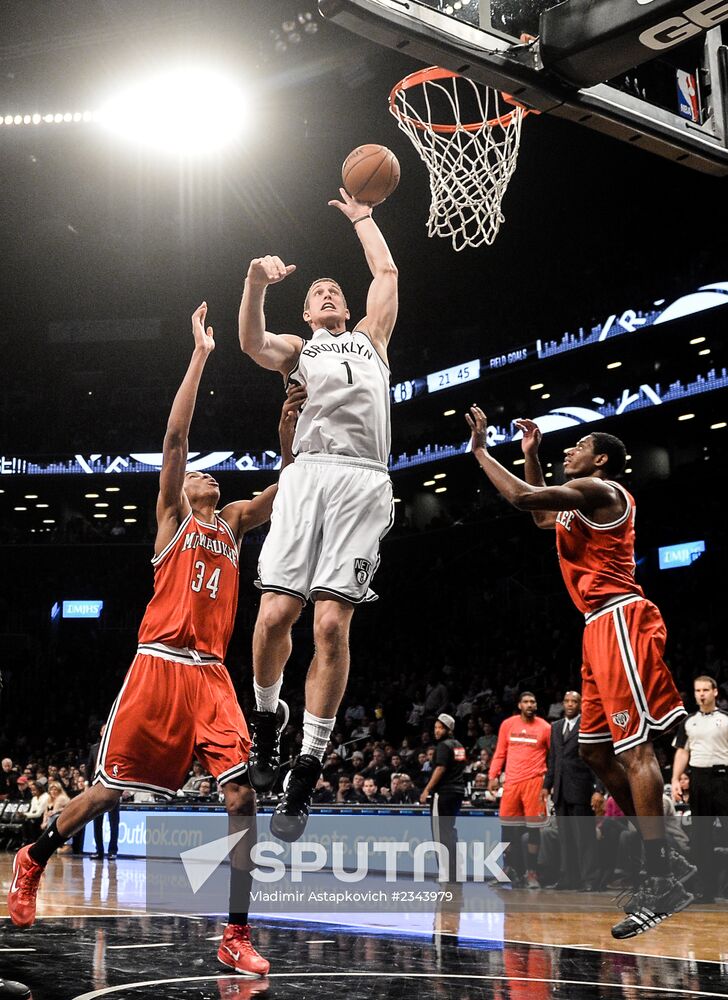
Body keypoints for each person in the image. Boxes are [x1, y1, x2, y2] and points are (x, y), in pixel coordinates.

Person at [8, 303, 302, 977]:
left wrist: (289, 436)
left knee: (242, 797)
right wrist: (200, 355)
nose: (207, 473)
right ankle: (34, 856)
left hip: (211, 676)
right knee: (107, 792)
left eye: (210, 474)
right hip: (157, 668)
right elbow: (174, 440)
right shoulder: (172, 518)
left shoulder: (230, 522)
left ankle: (234, 931)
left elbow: (287, 491)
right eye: (199, 472)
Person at [465, 407, 691, 937]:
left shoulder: (603, 491)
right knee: (593, 751)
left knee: (634, 750)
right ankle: (668, 861)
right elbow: (544, 517)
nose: (571, 450)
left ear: (602, 459)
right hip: (595, 626)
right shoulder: (579, 501)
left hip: (620, 618)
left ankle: (661, 875)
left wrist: (480, 451)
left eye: (580, 445)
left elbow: (522, 499)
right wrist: (531, 457)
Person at [238, 188, 398, 841]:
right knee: (277, 614)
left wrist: (363, 219)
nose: (330, 294)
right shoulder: (297, 350)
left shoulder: (371, 338)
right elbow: (249, 341)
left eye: (337, 290)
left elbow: (386, 274)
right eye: (320, 292)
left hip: (364, 480)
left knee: (331, 626)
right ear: (306, 311)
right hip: (305, 475)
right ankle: (268, 718)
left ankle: (306, 766)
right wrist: (254, 281)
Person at [671, 675, 728, 902]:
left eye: (706, 690)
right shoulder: (689, 721)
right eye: (697, 690)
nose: (701, 694)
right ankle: (706, 890)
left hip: (723, 778)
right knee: (701, 837)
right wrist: (675, 779)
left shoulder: (725, 719)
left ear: (715, 692)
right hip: (699, 779)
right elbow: (682, 751)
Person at [488, 692, 551, 888]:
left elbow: (553, 757)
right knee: (507, 829)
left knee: (534, 830)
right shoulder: (508, 724)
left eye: (533, 701)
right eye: (526, 702)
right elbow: (500, 752)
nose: (530, 705)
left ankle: (531, 872)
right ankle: (508, 870)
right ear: (519, 705)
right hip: (511, 783)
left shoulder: (545, 728)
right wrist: (493, 776)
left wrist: (548, 783)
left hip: (534, 782)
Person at [542, 691, 599, 890]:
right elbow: (554, 759)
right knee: (565, 838)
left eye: (574, 701)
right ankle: (568, 878)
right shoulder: (556, 727)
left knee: (584, 837)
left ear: (581, 704)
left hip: (581, 789)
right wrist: (546, 785)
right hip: (560, 790)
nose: (570, 704)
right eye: (566, 701)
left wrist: (598, 789)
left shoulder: (588, 726)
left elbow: (596, 759)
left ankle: (589, 879)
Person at [419, 713, 466, 881]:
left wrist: (426, 790)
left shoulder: (443, 747)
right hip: (457, 792)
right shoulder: (459, 746)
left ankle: (446, 873)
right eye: (435, 727)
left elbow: (440, 769)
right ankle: (455, 872)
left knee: (440, 834)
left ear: (448, 729)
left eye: (440, 728)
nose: (436, 731)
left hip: (443, 793)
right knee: (450, 832)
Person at [86, 724, 120, 860]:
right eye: (103, 729)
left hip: (112, 789)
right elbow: (89, 767)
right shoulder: (94, 748)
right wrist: (90, 783)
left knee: (113, 822)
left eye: (108, 729)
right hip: (97, 789)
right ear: (100, 732)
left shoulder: (117, 747)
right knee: (97, 822)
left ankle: (113, 851)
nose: (106, 732)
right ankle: (99, 851)